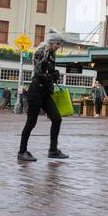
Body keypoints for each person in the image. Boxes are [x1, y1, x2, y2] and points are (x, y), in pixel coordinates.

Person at [18, 31, 67, 163]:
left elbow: (48, 72)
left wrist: (54, 73)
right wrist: (51, 76)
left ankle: (53, 150)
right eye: (57, 44)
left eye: (60, 44)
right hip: (36, 91)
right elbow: (38, 73)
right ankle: (22, 152)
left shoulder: (52, 54)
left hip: (45, 92)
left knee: (57, 119)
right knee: (31, 122)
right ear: (51, 42)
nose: (59, 46)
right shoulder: (40, 52)